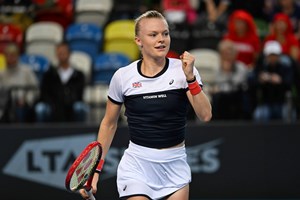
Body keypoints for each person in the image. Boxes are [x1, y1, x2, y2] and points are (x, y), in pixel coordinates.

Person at [79, 10, 212, 200]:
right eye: (153, 35)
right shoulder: (123, 76)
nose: (161, 39)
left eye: (165, 33)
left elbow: (205, 115)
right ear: (138, 41)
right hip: (137, 165)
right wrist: (95, 170)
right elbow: (108, 124)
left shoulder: (183, 71)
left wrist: (190, 78)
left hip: (175, 165)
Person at [34, 42, 88, 122]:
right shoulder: (49, 74)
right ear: (56, 55)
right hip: (53, 105)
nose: (62, 55)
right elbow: (44, 93)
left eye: (64, 53)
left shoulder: (78, 75)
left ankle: (80, 132)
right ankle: (42, 133)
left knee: (80, 107)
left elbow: (79, 94)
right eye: (60, 53)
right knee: (40, 108)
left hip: (72, 105)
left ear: (69, 54)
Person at [252, 40, 296, 122]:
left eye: (275, 55)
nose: (272, 58)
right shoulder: (261, 67)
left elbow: (290, 83)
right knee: (259, 115)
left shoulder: (286, 67)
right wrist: (260, 80)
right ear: (266, 56)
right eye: (270, 55)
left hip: (283, 102)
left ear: (279, 55)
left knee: (290, 115)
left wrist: (280, 81)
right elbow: (252, 82)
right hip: (266, 103)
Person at [211, 39, 249, 120]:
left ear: (235, 55)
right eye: (224, 54)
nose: (227, 57)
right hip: (221, 99)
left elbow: (237, 83)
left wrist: (227, 72)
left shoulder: (241, 67)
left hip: (236, 97)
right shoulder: (216, 68)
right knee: (217, 97)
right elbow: (215, 83)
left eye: (230, 54)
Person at [0, 43, 39, 122]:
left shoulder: (26, 71)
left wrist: (26, 99)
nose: (10, 58)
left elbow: (35, 89)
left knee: (19, 111)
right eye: (7, 55)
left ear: (17, 56)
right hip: (5, 105)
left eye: (12, 55)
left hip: (23, 105)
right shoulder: (2, 73)